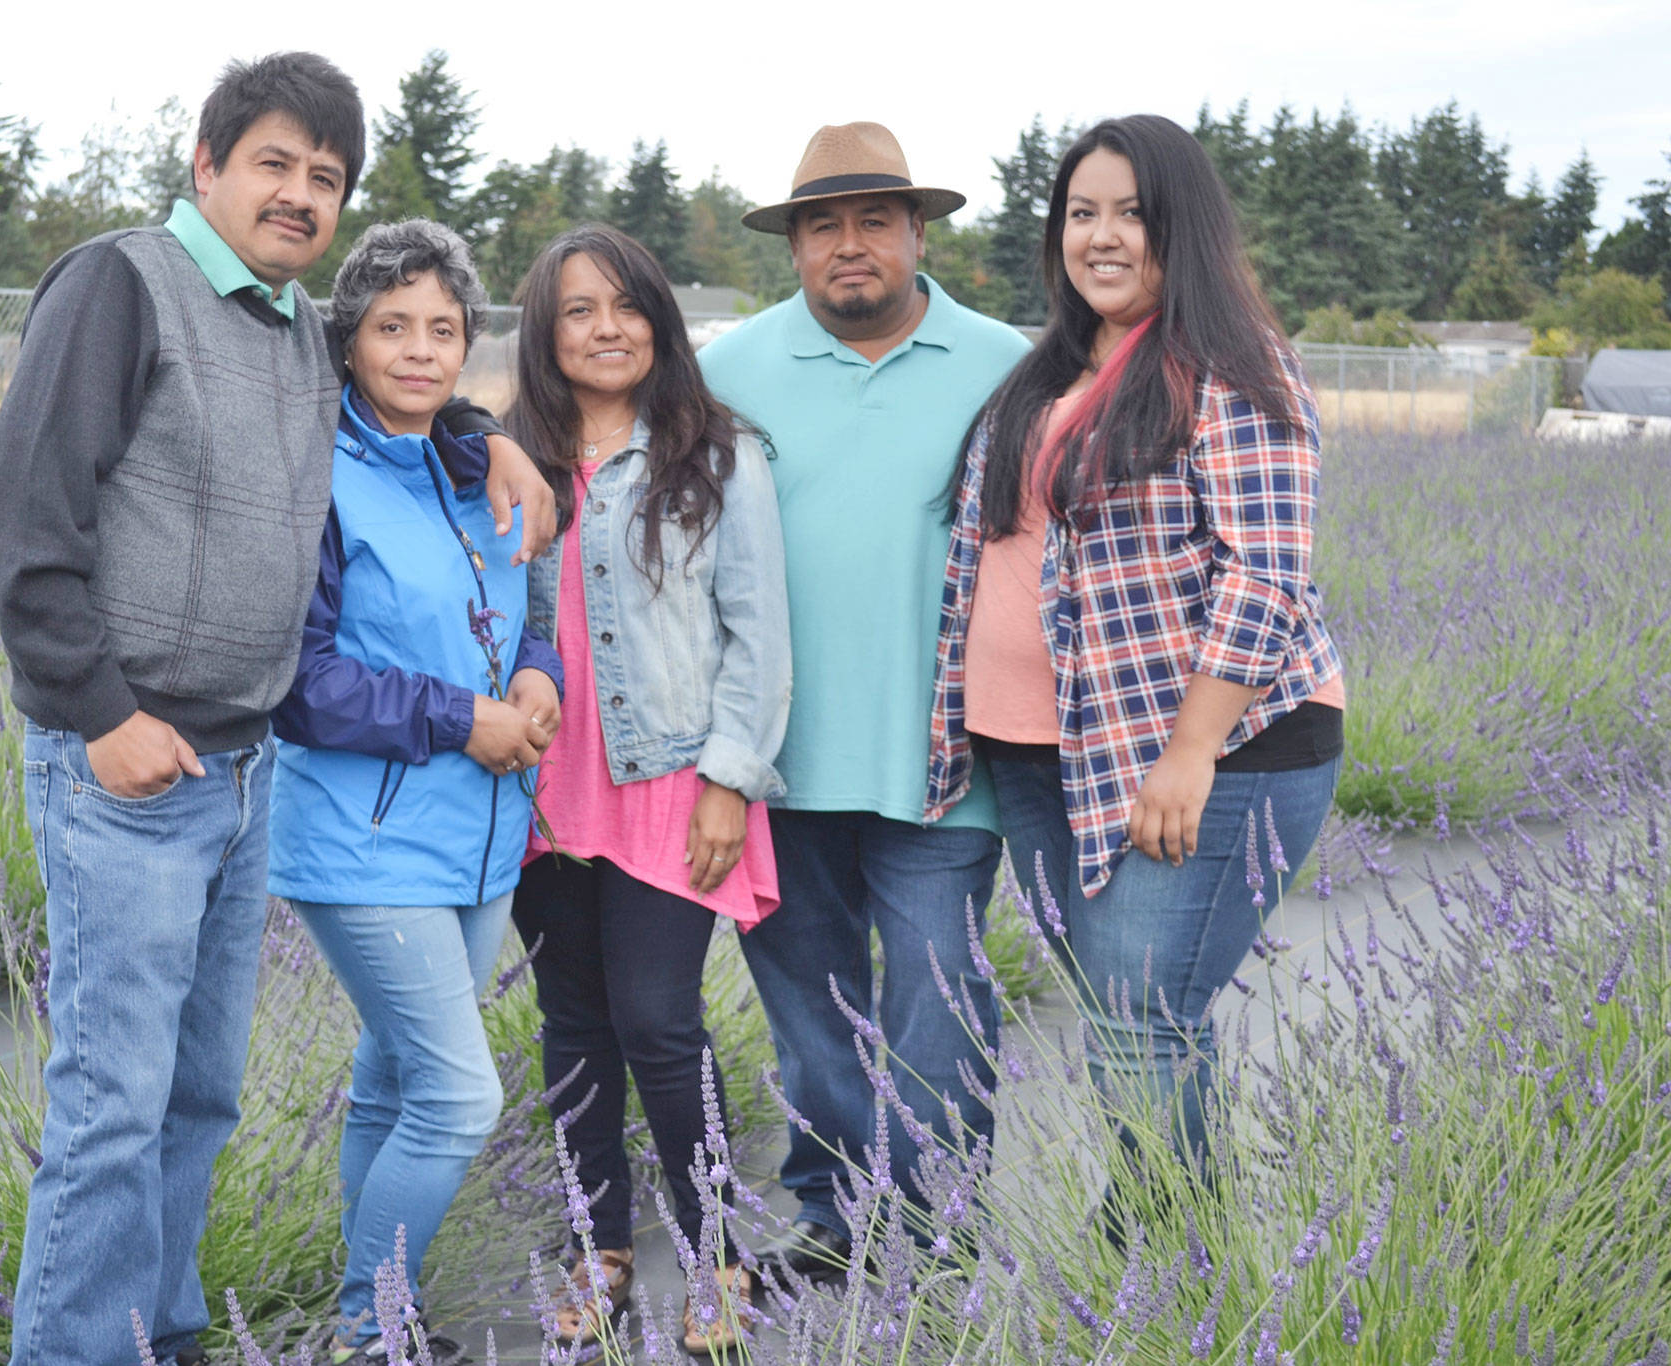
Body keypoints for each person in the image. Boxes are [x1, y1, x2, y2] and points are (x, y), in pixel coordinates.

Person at [0, 54, 554, 1366]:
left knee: (198, 1092)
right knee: (111, 1102)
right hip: (123, 766)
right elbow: (27, 517)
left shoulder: (294, 328)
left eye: (325, 177)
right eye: (275, 164)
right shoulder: (123, 285)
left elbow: (391, 392)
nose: (298, 194)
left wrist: (489, 436)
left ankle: (158, 1332)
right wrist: (99, 708)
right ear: (208, 164)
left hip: (240, 770)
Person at [926, 114, 1345, 1224]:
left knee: (1137, 1011)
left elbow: (1266, 575)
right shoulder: (1059, 367)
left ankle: (1169, 1259)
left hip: (1206, 749)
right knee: (1126, 1012)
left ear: (1182, 227)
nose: (1100, 236)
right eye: (1081, 213)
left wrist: (1189, 750)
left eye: (1130, 213)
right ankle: (1170, 1243)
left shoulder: (1231, 367)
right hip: (1041, 749)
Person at [696, 122, 1031, 1274]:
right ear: (793, 246)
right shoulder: (725, 371)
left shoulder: (1008, 366)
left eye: (872, 221)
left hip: (946, 763)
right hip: (774, 765)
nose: (849, 246)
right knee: (813, 1026)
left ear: (916, 233)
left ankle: (939, 1233)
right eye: (822, 225)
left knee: (936, 1014)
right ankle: (833, 1223)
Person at [264, 218, 562, 1365]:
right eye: (392, 327)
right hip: (362, 840)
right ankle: (367, 1326)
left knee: (391, 1081)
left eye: (443, 328)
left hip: (482, 840)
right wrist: (462, 718)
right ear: (349, 341)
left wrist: (537, 672)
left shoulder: (471, 460)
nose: (420, 350)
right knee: (456, 1096)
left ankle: (366, 1316)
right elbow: (302, 682)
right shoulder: (313, 477)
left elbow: (529, 602)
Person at [506, 225, 791, 1354]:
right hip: (536, 792)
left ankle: (717, 1254)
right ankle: (600, 1248)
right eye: (578, 309)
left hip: (669, 783)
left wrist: (729, 780)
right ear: (546, 330)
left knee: (660, 1024)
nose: (606, 327)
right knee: (572, 1025)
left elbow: (758, 638)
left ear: (660, 324)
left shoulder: (715, 455)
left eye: (627, 306)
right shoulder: (503, 453)